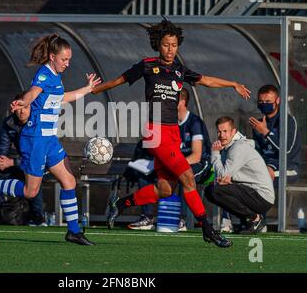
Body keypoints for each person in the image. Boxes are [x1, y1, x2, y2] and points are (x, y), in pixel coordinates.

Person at [92, 18, 251, 248]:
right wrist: (95, 89)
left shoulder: (179, 69)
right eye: (166, 44)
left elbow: (205, 80)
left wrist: (232, 83)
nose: (170, 49)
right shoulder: (147, 65)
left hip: (173, 134)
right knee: (188, 178)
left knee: (165, 189)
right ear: (159, 44)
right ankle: (208, 229)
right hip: (155, 133)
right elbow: (119, 80)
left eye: (174, 45)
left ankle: (121, 203)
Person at [0, 34, 100, 245]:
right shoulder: (43, 74)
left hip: (49, 140)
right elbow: (31, 93)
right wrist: (22, 102)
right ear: (52, 57)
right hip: (35, 140)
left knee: (69, 182)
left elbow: (61, 98)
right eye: (64, 59)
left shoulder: (56, 76)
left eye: (69, 60)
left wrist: (86, 89)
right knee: (31, 192)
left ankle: (73, 231)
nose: (67, 64)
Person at [127, 88, 212, 232]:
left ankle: (182, 219)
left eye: (172, 99)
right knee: (144, 175)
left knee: (183, 176)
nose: (167, 102)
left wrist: (174, 165)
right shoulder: (164, 121)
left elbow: (197, 155)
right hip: (172, 163)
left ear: (182, 102)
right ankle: (147, 217)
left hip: (198, 164)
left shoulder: (194, 122)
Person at [205, 116, 275, 234]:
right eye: (219, 132)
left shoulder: (238, 147)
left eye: (225, 131)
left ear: (234, 132)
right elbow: (221, 179)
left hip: (261, 197)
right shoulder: (229, 148)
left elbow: (222, 176)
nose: (221, 135)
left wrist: (215, 153)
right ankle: (249, 221)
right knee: (213, 191)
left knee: (213, 191)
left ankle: (255, 219)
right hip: (253, 193)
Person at [0, 91, 46, 226]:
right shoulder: (9, 123)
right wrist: (1, 161)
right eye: (19, 108)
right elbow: (3, 147)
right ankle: (4, 212)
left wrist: (13, 162)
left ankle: (38, 218)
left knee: (33, 174)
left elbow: (37, 155)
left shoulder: (38, 123)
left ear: (31, 107)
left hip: (41, 165)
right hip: (21, 164)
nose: (22, 112)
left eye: (25, 107)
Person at [249, 84, 301, 183]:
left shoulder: (287, 121)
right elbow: (258, 151)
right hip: (265, 165)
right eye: (261, 102)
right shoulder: (258, 124)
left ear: (277, 101)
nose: (264, 104)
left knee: (261, 176)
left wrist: (266, 132)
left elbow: (287, 152)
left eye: (268, 101)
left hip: (288, 167)